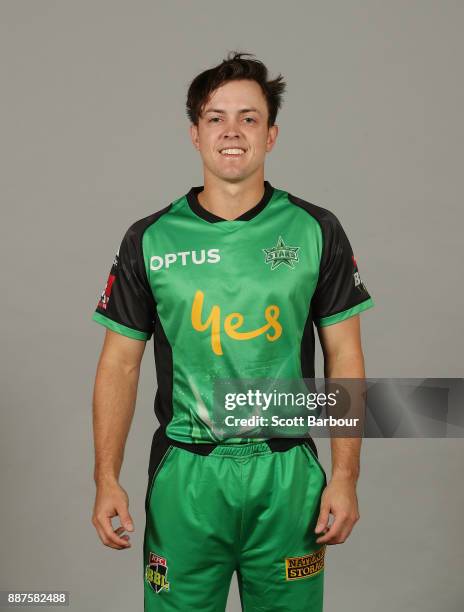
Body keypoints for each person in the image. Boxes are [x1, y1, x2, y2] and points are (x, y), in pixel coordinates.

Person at [91, 51, 374, 612]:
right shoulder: (150, 239)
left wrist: (345, 477)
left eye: (249, 117)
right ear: (194, 134)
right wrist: (106, 478)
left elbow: (345, 357)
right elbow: (118, 365)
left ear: (271, 135)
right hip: (186, 474)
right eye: (216, 117)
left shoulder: (316, 229)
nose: (232, 131)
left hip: (286, 471)